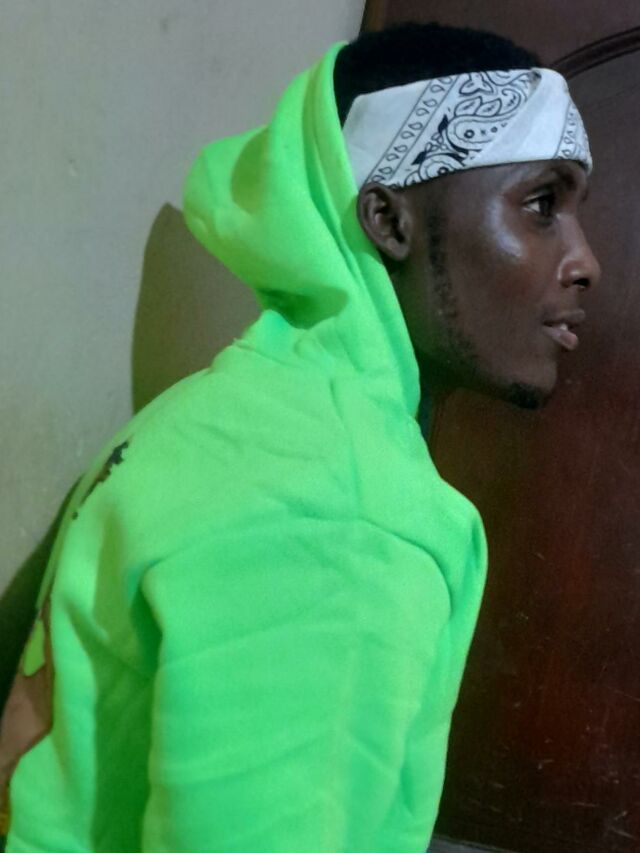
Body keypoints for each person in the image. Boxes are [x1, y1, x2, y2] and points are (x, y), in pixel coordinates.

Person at [0, 20, 600, 853]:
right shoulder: (344, 513)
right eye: (541, 205)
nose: (585, 260)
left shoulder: (238, 410)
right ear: (388, 219)